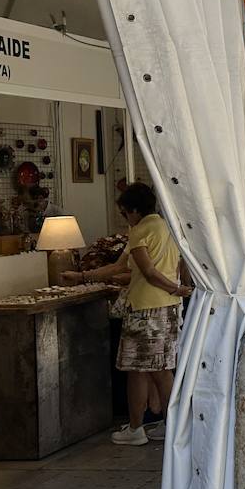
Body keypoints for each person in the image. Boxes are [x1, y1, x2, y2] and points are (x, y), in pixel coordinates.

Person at [65, 182, 191, 445]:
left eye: (124, 213)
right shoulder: (170, 228)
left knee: (139, 370)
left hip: (145, 309)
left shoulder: (140, 231)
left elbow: (145, 272)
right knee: (162, 368)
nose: (125, 219)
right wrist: (176, 289)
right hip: (168, 308)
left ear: (134, 210)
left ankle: (136, 429)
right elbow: (145, 271)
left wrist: (81, 277)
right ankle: (170, 424)